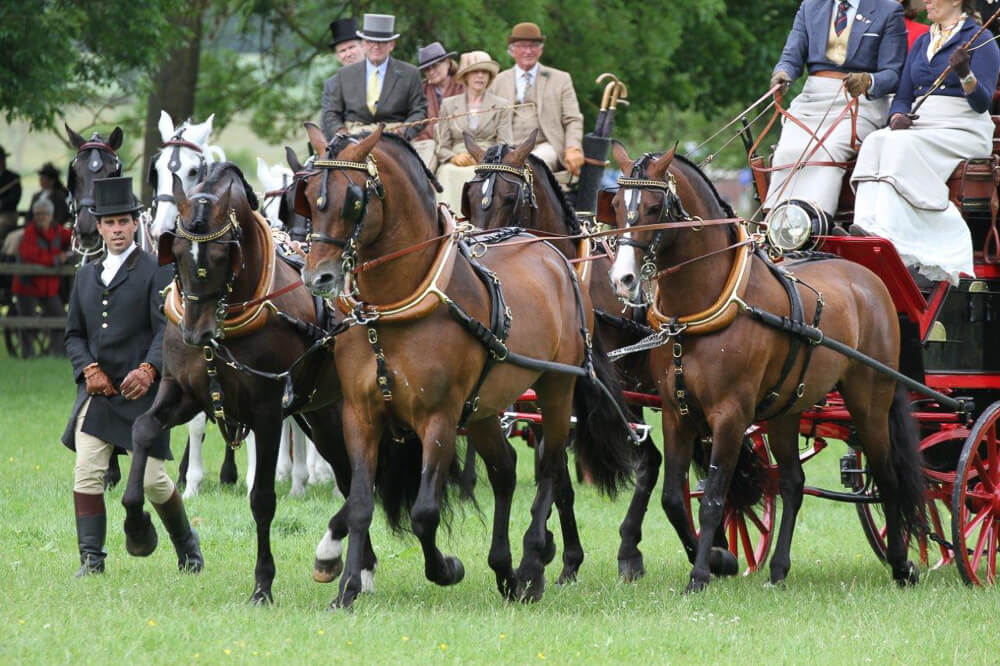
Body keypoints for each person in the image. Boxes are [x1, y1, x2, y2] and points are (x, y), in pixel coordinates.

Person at [62, 176, 203, 577]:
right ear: (99, 227)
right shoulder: (86, 275)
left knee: (156, 481)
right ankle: (92, 560)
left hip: (147, 396)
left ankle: (188, 547)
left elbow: (167, 329)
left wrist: (149, 368)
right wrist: (87, 368)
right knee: (88, 469)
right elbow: (73, 334)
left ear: (136, 222)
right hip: (100, 394)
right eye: (110, 223)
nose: (118, 229)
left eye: (124, 221)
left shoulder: (154, 272)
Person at [851, 0, 1000, 286]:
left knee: (899, 146)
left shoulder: (982, 40)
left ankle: (892, 235)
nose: (926, 2)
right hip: (921, 124)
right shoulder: (922, 42)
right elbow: (905, 95)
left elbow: (981, 103)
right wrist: (896, 116)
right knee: (875, 141)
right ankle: (867, 227)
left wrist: (964, 74)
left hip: (963, 128)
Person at [764, 0, 907, 218]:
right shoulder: (810, 7)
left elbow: (894, 73)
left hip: (860, 101)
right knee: (786, 151)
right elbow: (791, 57)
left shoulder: (888, 10)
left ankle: (816, 220)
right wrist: (782, 74)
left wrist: (869, 81)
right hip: (813, 97)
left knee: (828, 148)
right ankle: (777, 219)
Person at [490, 22, 584, 177]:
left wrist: (573, 147)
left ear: (540, 49)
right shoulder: (497, 81)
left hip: (545, 146)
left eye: (533, 46)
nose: (528, 51)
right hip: (506, 147)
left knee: (532, 165)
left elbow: (573, 119)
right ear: (512, 50)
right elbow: (488, 122)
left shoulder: (561, 79)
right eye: (522, 46)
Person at [320, 13, 427, 141]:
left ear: (391, 45)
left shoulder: (410, 73)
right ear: (364, 44)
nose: (376, 46)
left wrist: (404, 131)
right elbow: (331, 113)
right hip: (355, 139)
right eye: (371, 42)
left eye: (382, 42)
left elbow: (419, 111)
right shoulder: (344, 75)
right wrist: (341, 132)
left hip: (396, 139)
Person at [435, 51, 513, 211]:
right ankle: (449, 224)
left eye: (485, 72)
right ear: (466, 76)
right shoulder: (448, 105)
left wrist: (486, 157)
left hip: (490, 161)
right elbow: (442, 146)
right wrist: (453, 157)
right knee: (446, 172)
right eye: (475, 72)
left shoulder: (502, 105)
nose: (480, 76)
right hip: (456, 163)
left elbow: (506, 144)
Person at [12, 197, 72, 356]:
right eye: (37, 213)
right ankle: (28, 356)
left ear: (51, 215)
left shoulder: (58, 231)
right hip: (27, 286)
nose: (41, 217)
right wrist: (55, 259)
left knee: (60, 319)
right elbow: (30, 255)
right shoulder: (29, 233)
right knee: (27, 323)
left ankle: (57, 353)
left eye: (44, 213)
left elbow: (72, 237)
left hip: (48, 287)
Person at [412, 42, 465, 171]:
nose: (431, 71)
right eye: (427, 69)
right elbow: (416, 124)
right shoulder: (420, 91)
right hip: (428, 145)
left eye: (435, 66)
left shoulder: (463, 86)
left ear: (447, 63)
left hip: (458, 144)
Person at [0, 145, 21, 243]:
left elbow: (15, 198)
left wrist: (1, 203)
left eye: (2, 159)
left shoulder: (13, 178)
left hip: (7, 214)